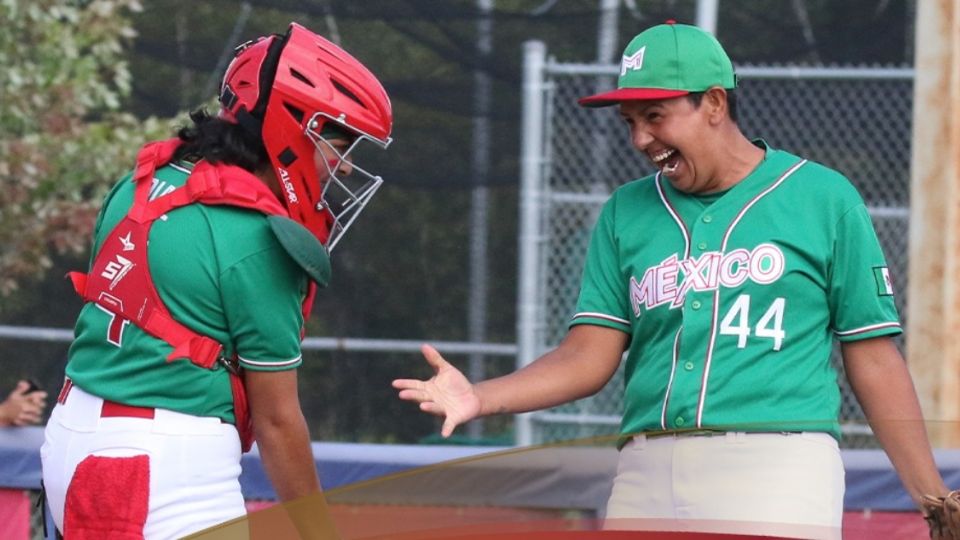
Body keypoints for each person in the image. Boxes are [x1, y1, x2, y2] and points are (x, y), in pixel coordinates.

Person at [394, 21, 948, 538]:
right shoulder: (625, 212)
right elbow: (586, 356)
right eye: (630, 122)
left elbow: (873, 356)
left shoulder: (823, 199)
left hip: (776, 466)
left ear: (713, 102)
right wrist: (479, 398)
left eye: (654, 115)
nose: (640, 139)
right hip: (646, 467)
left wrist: (931, 497)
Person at [41, 22, 392, 539]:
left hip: (69, 439)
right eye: (338, 141)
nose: (344, 164)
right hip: (164, 465)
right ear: (291, 127)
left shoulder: (138, 183)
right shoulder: (261, 242)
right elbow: (277, 422)